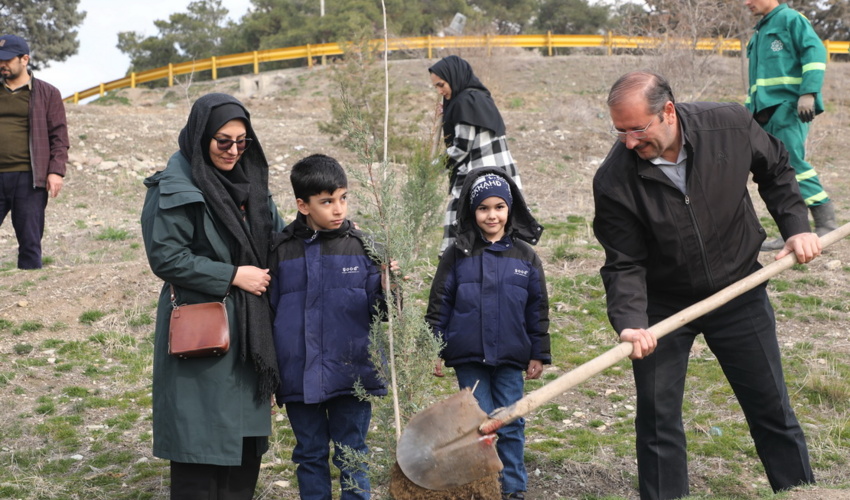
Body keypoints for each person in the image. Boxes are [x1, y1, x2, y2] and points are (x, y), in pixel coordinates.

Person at [593, 70, 820, 500]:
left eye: (637, 129)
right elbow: (624, 262)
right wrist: (630, 321)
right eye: (619, 131)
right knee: (658, 423)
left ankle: (801, 493)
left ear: (668, 112)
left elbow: (776, 169)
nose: (628, 142)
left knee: (771, 408)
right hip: (663, 310)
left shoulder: (729, 124)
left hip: (739, 290)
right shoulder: (614, 179)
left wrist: (795, 226)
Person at [141, 93, 283, 499]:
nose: (234, 150)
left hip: (251, 336)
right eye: (224, 141)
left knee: (243, 451)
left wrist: (347, 245)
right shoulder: (174, 184)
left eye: (243, 142)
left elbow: (280, 239)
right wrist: (233, 274)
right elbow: (166, 257)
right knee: (198, 450)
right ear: (202, 135)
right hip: (204, 335)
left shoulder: (251, 184)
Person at [268, 153, 388, 500]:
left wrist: (390, 286)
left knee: (353, 453)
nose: (339, 209)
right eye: (327, 202)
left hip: (353, 374)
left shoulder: (367, 248)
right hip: (298, 375)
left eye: (343, 198)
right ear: (302, 205)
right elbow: (269, 312)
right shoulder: (280, 251)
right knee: (309, 455)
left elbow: (384, 315)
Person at [426, 168, 549, 500]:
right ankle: (479, 487)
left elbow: (537, 309)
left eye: (499, 207)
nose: (491, 215)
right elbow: (440, 301)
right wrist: (434, 348)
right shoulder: (457, 254)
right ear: (472, 211)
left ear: (510, 209)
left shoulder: (526, 257)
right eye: (483, 208)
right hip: (469, 356)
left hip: (511, 357)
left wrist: (538, 352)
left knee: (510, 422)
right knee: (477, 424)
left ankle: (512, 489)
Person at [744, 0, 837, 250]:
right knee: (773, 171)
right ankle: (792, 231)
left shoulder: (790, 19)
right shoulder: (760, 31)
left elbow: (815, 52)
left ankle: (825, 220)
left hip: (787, 108)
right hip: (762, 111)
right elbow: (757, 81)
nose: (746, 3)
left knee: (793, 165)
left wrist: (809, 93)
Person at [428, 55, 523, 256]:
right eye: (435, 87)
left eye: (441, 84)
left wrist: (431, 169)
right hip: (500, 171)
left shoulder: (466, 101)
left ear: (453, 77)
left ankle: (456, 265)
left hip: (483, 173)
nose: (439, 90)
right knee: (496, 226)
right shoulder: (477, 97)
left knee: (463, 222)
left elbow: (462, 147)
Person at [0, 34, 68, 269]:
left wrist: (56, 171)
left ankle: (29, 287)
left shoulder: (48, 93)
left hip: (29, 177)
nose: (2, 64)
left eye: (8, 60)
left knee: (30, 240)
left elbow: (59, 137)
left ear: (25, 59)